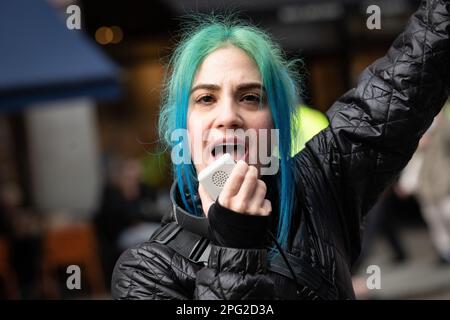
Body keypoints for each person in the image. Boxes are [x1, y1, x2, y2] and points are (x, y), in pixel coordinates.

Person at [112, 0, 450, 299]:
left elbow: (410, 78)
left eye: (250, 97)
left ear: (276, 123)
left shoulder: (323, 180)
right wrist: (234, 247)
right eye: (206, 99)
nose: (228, 116)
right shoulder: (146, 272)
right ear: (182, 129)